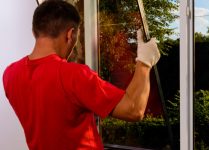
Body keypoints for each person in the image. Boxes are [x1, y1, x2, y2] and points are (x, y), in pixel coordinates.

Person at [2, 1, 160, 150]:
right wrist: (145, 62)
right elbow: (133, 110)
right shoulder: (74, 75)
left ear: (34, 31)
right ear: (70, 34)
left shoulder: (10, 74)